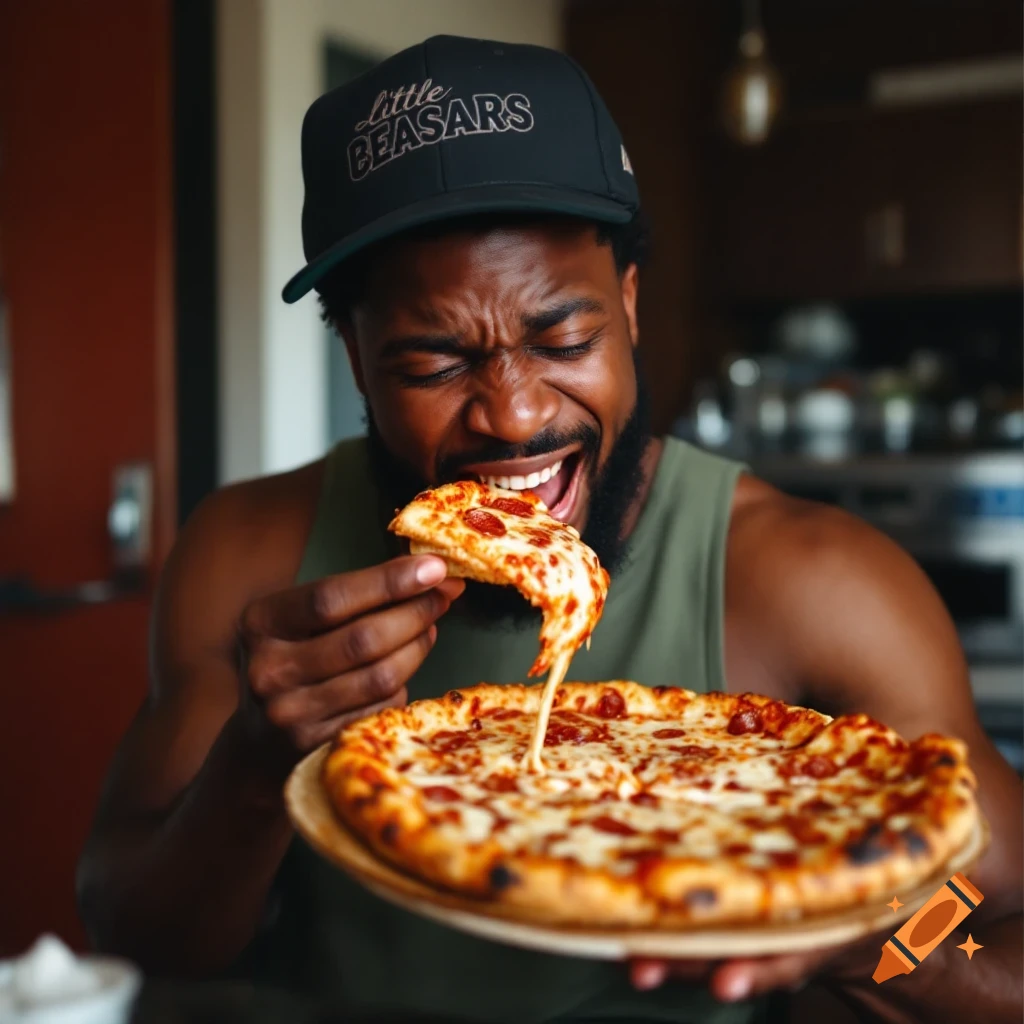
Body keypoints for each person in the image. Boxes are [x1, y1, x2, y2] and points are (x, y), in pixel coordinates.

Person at [78, 34, 1021, 1024]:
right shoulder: (247, 555)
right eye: (433, 364)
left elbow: (990, 908)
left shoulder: (817, 583)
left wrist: (888, 943)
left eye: (562, 339)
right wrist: (254, 762)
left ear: (628, 304)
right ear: (356, 359)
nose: (514, 414)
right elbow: (132, 928)